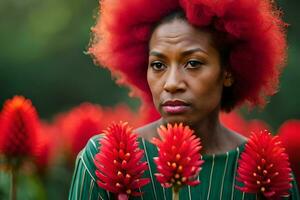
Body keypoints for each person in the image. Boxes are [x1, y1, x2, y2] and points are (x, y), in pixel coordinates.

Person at [69, 0, 300, 199]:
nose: (171, 83)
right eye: (158, 65)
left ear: (228, 71)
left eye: (193, 63)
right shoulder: (101, 159)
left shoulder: (271, 170)